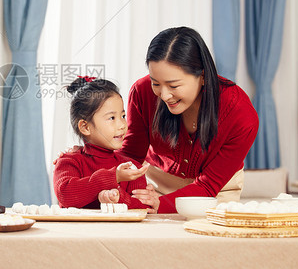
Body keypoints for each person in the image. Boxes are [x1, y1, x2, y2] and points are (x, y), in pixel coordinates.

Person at [103, 26, 259, 213]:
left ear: (202, 76)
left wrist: (162, 204)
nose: (164, 95)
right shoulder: (142, 92)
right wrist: (84, 159)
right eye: (156, 83)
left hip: (215, 191)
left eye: (173, 85)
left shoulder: (240, 113)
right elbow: (130, 156)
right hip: (155, 186)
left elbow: (208, 186)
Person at [53, 76, 154, 210]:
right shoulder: (68, 162)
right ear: (85, 127)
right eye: (112, 118)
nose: (122, 125)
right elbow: (65, 195)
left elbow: (144, 208)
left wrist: (118, 199)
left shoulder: (131, 169)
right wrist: (113, 177)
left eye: (123, 116)